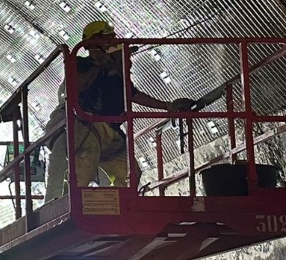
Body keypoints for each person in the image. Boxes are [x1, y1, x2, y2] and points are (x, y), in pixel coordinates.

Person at [72, 20, 196, 188]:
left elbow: (131, 94)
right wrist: (101, 65)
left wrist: (167, 106)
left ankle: (116, 209)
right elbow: (80, 85)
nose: (113, 42)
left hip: (112, 130)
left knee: (131, 174)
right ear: (95, 41)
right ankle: (69, 207)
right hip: (89, 126)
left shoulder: (116, 70)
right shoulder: (80, 64)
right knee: (83, 170)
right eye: (108, 38)